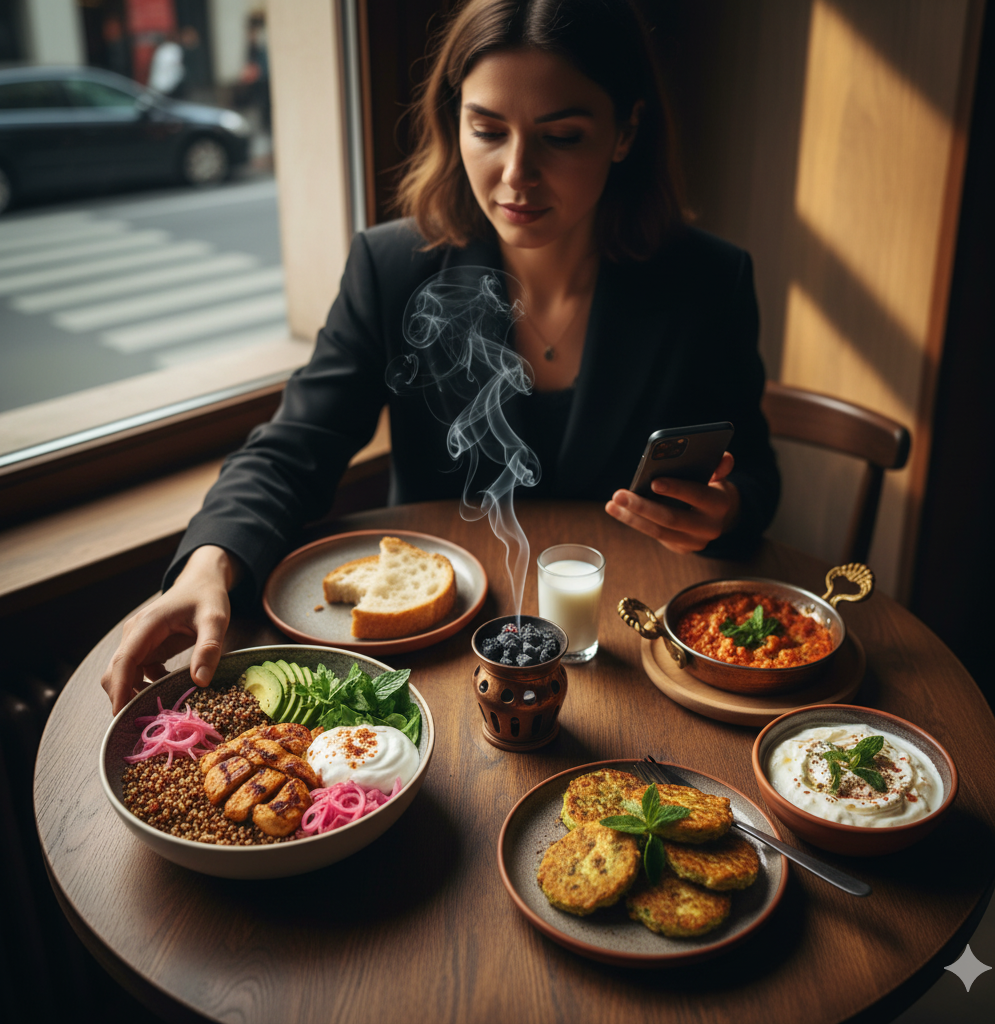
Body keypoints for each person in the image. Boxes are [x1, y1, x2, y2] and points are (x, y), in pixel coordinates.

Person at [102, 0, 779, 713]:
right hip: (427, 663)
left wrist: (726, 509)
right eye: (487, 130)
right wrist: (207, 563)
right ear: (455, 121)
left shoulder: (708, 281)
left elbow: (756, 472)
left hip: (631, 655)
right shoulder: (392, 266)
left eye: (562, 137)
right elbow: (296, 444)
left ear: (625, 131)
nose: (516, 175)